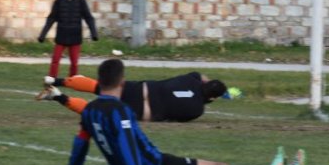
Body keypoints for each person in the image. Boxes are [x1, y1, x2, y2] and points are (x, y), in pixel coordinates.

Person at [65, 59, 305, 165]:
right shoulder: (122, 111)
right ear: (122, 82)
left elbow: (80, 144)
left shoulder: (90, 111)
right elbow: (127, 142)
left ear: (100, 80)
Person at [35, 70, 242, 122]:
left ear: (205, 82)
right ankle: (58, 96)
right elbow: (177, 117)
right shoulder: (198, 110)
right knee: (97, 112)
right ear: (213, 98)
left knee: (100, 87)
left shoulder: (193, 79)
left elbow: (202, 77)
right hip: (144, 111)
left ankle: (56, 80)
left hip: (142, 89)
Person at [38, 0, 98, 79]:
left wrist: (94, 33)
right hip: (62, 35)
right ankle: (52, 78)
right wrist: (42, 35)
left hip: (75, 35)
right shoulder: (59, 1)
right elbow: (51, 18)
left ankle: (73, 79)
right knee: (55, 59)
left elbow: (89, 17)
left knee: (74, 62)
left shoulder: (81, 1)